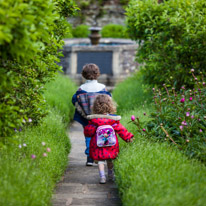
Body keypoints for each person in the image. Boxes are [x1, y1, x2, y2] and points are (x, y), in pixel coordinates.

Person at [84, 94, 134, 184]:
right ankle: (110, 174)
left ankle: (102, 176)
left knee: (100, 161)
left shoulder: (94, 121)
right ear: (110, 105)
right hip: (112, 144)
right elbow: (121, 130)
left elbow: (88, 132)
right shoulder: (113, 120)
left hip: (97, 144)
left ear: (95, 106)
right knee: (110, 159)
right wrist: (128, 138)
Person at [72, 63, 111, 166]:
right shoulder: (102, 88)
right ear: (97, 74)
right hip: (101, 117)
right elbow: (108, 99)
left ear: (83, 75)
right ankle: (100, 156)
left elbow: (74, 100)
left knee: (89, 136)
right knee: (101, 135)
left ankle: (89, 158)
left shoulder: (81, 88)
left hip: (86, 118)